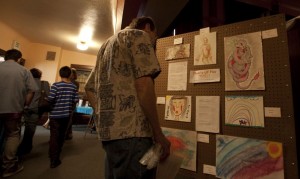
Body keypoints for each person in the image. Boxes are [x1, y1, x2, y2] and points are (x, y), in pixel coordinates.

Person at [85, 16, 171, 179]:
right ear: (147, 27)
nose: (154, 41)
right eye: (155, 35)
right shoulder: (139, 35)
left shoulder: (105, 46)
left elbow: (89, 88)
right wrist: (158, 134)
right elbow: (144, 85)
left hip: (109, 134)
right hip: (134, 133)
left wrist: (101, 113)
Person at [0, 49, 38, 177]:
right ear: (19, 59)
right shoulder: (24, 71)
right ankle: (8, 167)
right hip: (13, 109)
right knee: (12, 135)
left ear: (5, 57)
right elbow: (31, 91)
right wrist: (25, 105)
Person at [47, 66, 79, 168]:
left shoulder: (55, 85)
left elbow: (51, 98)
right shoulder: (73, 87)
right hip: (66, 115)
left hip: (55, 115)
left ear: (60, 74)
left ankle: (52, 156)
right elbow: (76, 100)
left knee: (53, 136)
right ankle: (56, 157)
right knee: (61, 136)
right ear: (70, 74)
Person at [18, 68, 49, 156]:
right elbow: (48, 95)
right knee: (30, 128)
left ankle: (24, 146)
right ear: (40, 75)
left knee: (19, 127)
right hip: (36, 108)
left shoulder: (25, 82)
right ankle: (25, 147)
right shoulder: (44, 83)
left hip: (23, 107)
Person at [65, 68, 80, 140]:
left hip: (70, 102)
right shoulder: (70, 82)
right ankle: (69, 134)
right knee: (68, 119)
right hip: (69, 102)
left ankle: (66, 134)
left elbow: (74, 93)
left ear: (73, 75)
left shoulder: (75, 83)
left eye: (71, 73)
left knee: (68, 119)